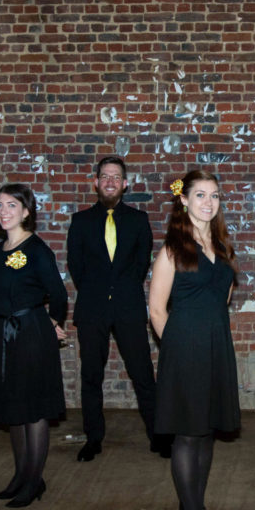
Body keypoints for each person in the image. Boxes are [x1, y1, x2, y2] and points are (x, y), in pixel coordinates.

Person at [150, 170, 240, 510]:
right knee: (187, 435)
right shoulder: (172, 249)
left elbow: (224, 297)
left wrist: (210, 335)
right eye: (200, 195)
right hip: (185, 349)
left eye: (214, 195)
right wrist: (178, 348)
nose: (208, 202)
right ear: (184, 200)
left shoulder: (222, 247)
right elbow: (157, 310)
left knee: (206, 433)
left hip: (216, 346)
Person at [66, 156, 164, 462]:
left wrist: (119, 291)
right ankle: (93, 438)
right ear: (96, 183)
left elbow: (141, 263)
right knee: (91, 376)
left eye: (116, 177)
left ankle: (159, 436)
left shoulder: (138, 220)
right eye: (105, 176)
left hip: (128, 307)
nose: (110, 182)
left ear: (124, 184)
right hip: (92, 308)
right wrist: (99, 292)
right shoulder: (80, 221)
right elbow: (76, 266)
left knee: (143, 373)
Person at [0, 184, 69, 508]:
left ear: (26, 211)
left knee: (33, 410)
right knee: (13, 408)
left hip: (30, 332)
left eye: (11, 205)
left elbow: (58, 294)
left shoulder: (36, 249)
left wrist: (51, 323)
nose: (3, 211)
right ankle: (20, 476)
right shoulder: (0, 249)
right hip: (4, 334)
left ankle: (34, 480)